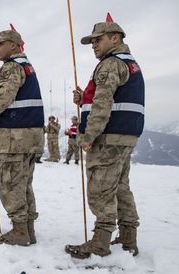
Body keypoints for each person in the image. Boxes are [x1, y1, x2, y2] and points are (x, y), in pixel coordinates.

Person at [65, 19, 144, 258]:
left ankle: (101, 242)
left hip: (108, 137)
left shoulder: (110, 64)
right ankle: (128, 237)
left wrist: (89, 134)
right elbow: (104, 98)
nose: (93, 45)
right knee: (120, 187)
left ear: (115, 38)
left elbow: (103, 103)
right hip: (125, 135)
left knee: (100, 189)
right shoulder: (130, 64)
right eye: (92, 41)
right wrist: (84, 100)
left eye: (98, 39)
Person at [0, 29, 44, 246]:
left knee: (9, 183)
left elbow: (6, 96)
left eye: (0, 44)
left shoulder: (11, 67)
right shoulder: (25, 66)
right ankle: (27, 230)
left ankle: (19, 231)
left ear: (14, 45)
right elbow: (12, 97)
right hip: (30, 135)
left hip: (15, 135)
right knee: (23, 183)